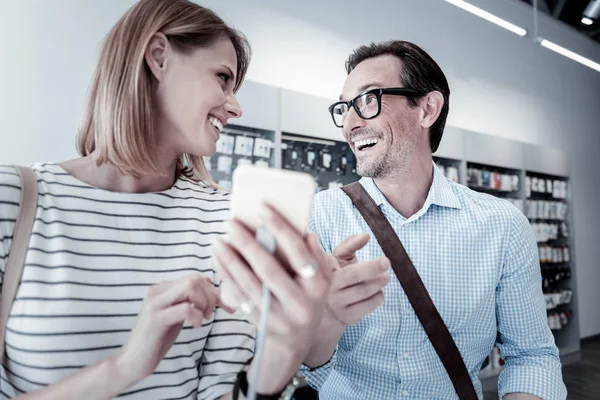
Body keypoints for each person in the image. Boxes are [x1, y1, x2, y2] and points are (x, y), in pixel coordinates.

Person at [0, 1, 331, 399]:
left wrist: (285, 347)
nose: (236, 106)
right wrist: (124, 369)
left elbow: (226, 394)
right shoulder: (14, 199)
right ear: (159, 57)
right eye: (222, 78)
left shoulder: (223, 219)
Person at [301, 40, 567, 399]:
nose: (349, 124)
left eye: (367, 100)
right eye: (344, 108)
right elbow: (307, 365)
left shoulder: (502, 225)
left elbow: (531, 356)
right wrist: (326, 319)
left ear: (428, 108)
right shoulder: (317, 216)